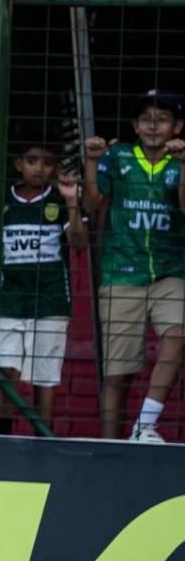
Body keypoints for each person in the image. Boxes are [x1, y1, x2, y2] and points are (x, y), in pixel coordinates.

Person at [82, 89, 185, 442]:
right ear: (135, 126)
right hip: (120, 271)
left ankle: (145, 425)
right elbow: (92, 201)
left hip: (170, 272)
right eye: (145, 120)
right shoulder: (118, 156)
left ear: (177, 127)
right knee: (117, 373)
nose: (153, 126)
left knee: (178, 333)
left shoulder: (182, 160)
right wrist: (92, 162)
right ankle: (112, 447)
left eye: (162, 120)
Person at [0, 138, 88, 434]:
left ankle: (43, 439)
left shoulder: (59, 200)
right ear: (19, 164)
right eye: (32, 160)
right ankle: (0, 436)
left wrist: (72, 202)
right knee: (6, 372)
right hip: (8, 299)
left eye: (47, 162)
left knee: (44, 376)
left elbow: (79, 243)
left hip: (50, 301)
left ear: (55, 167)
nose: (39, 168)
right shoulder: (2, 199)